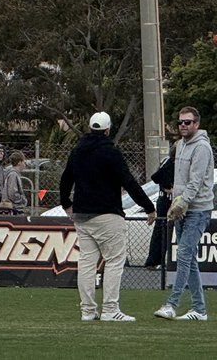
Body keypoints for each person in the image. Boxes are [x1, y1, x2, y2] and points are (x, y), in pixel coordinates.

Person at [59, 111, 155, 323]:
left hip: (82, 215)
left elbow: (65, 179)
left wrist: (66, 203)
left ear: (90, 128)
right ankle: (110, 309)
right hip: (107, 214)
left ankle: (87, 310)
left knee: (86, 262)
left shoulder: (77, 151)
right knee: (114, 260)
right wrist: (148, 207)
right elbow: (128, 182)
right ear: (108, 129)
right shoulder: (110, 152)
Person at [155, 106, 214, 322]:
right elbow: (179, 179)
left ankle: (172, 304)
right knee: (189, 260)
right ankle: (200, 309)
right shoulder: (179, 145)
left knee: (183, 256)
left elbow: (196, 181)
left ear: (197, 124)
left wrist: (182, 202)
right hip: (181, 209)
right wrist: (175, 202)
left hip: (197, 210)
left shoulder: (202, 148)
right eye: (181, 122)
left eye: (188, 122)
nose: (183, 126)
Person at [144, 139, 177, 268]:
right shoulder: (170, 163)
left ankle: (159, 260)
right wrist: (171, 189)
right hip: (167, 199)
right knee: (161, 229)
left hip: (165, 199)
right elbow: (159, 179)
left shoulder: (167, 162)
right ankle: (155, 260)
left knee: (162, 230)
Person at [0, 150, 28, 215]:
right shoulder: (13, 175)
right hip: (14, 208)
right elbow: (12, 193)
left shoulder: (13, 174)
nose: (25, 164)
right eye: (24, 162)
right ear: (19, 162)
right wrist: (22, 200)